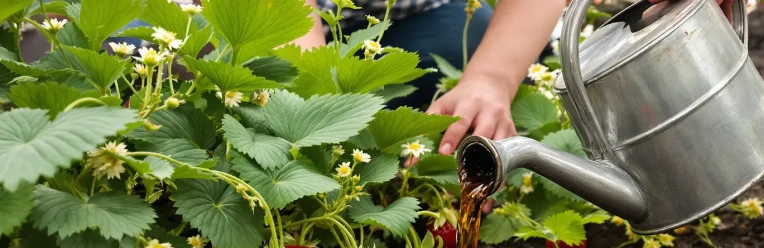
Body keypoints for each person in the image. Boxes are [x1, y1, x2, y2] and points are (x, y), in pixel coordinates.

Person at [297, 0, 738, 157]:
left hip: (420, 18)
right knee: (295, 115)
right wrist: (316, 114)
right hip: (284, 23)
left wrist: (490, 80)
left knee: (469, 54)